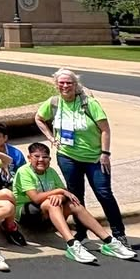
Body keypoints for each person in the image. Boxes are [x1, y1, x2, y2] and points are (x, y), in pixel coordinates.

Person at [35, 68, 131, 249]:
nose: (65, 86)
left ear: (75, 84)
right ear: (56, 84)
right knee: (75, 196)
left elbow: (105, 129)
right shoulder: (54, 103)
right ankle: (81, 232)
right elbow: (39, 118)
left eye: (69, 83)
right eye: (61, 83)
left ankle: (119, 234)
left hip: (95, 158)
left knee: (104, 194)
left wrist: (105, 153)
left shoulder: (89, 103)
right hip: (67, 156)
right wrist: (50, 137)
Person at [11, 142, 136, 264]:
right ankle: (72, 244)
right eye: (36, 156)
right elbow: (36, 198)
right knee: (51, 202)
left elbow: (64, 192)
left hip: (48, 212)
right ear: (29, 158)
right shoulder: (24, 171)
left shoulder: (51, 171)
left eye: (45, 157)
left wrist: (60, 195)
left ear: (49, 159)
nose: (41, 160)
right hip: (25, 214)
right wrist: (58, 191)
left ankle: (109, 242)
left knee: (74, 203)